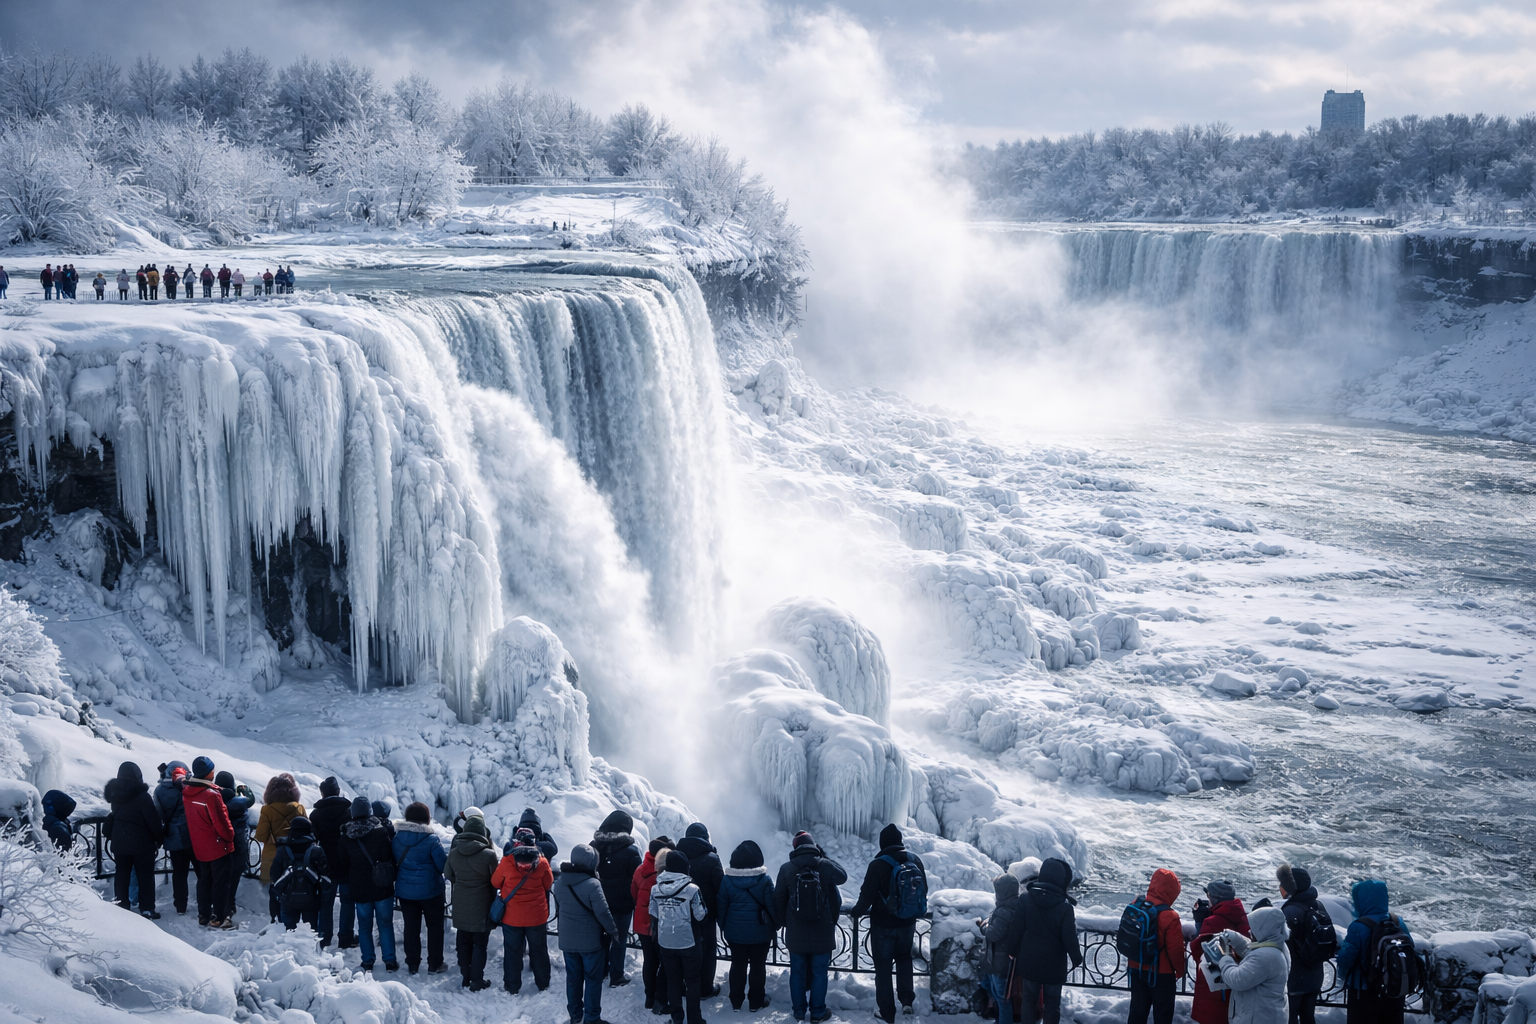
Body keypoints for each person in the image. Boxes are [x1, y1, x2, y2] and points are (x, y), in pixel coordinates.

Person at [850, 823, 929, 1023]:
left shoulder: (877, 865)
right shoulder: (914, 860)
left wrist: (856, 912)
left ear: (882, 843)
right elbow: (924, 889)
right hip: (907, 922)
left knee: (883, 966)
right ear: (900, 841)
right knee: (904, 958)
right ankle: (907, 1001)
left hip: (883, 925)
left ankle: (887, 1012)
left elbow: (866, 896)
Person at [773, 831, 848, 1024]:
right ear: (813, 846)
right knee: (819, 972)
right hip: (822, 930)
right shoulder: (824, 865)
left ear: (795, 848)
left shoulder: (787, 868)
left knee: (797, 972)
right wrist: (824, 858)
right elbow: (843, 876)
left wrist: (784, 923)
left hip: (795, 930)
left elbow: (779, 898)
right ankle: (817, 1012)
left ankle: (798, 1011)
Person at [556, 842, 623, 1024]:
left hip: (567, 941)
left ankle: (575, 1015)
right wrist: (613, 931)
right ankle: (592, 1018)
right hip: (590, 942)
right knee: (592, 979)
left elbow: (560, 908)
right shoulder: (593, 884)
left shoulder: (560, 883)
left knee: (573, 978)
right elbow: (603, 913)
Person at [1017, 857, 1085, 1024]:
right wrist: (1077, 958)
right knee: (1052, 1004)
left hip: (1029, 961)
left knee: (1028, 1001)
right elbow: (1069, 938)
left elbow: (1016, 928)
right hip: (1054, 966)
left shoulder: (1025, 899)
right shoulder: (1065, 908)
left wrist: (1012, 951)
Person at [335, 797, 398, 971]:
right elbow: (387, 857)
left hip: (359, 886)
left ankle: (368, 961)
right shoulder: (381, 832)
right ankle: (390, 960)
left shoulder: (346, 837)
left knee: (364, 926)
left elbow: (343, 864)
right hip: (381, 885)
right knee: (385, 924)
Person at [1337, 880, 1412, 1024]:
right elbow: (1410, 948)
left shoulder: (1358, 926)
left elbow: (1346, 958)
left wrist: (1343, 975)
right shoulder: (1397, 921)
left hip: (1364, 990)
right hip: (1394, 987)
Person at [493, 827, 555, 993]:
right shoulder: (542, 862)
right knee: (539, 949)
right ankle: (543, 983)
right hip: (536, 916)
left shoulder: (507, 861)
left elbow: (495, 882)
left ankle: (512, 986)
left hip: (511, 916)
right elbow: (548, 884)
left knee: (512, 951)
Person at [652, 848, 708, 1024]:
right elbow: (700, 915)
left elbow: (654, 913)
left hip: (666, 941)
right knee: (692, 981)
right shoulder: (692, 889)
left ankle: (677, 1018)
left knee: (673, 981)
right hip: (689, 941)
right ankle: (694, 1019)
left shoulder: (655, 889)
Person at [718, 839, 775, 1012]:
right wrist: (776, 926)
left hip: (735, 933)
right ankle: (756, 1002)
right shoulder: (764, 880)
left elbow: (721, 907)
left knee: (737, 964)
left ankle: (736, 1001)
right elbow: (772, 907)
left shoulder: (727, 881)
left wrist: (724, 926)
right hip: (760, 932)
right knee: (758, 966)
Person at [393, 802, 449, 976]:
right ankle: (434, 964)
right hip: (431, 891)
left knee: (411, 927)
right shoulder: (431, 840)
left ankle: (412, 964)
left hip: (405, 891)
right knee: (435, 927)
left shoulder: (397, 838)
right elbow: (442, 866)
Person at [445, 810, 498, 990]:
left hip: (460, 902)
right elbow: (495, 881)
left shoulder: (454, 852)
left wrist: (461, 881)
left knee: (463, 941)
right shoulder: (489, 854)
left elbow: (448, 873)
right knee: (479, 944)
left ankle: (465, 976)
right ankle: (477, 980)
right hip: (482, 904)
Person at [182, 756, 237, 928]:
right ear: (208, 773)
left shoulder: (188, 791)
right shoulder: (211, 795)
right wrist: (230, 836)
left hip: (199, 844)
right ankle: (219, 917)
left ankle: (203, 914)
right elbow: (221, 822)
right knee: (221, 882)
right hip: (218, 845)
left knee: (204, 880)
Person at [1126, 869, 1187, 1024]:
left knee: (1137, 1012)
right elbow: (1175, 950)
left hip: (1136, 968)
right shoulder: (1170, 916)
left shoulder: (1136, 904)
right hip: (1161, 974)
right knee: (1162, 1015)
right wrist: (1180, 970)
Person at [104, 762, 163, 917]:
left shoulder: (115, 794)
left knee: (121, 875)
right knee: (145, 876)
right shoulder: (143, 797)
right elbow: (153, 821)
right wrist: (159, 839)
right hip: (142, 844)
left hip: (120, 843)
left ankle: (121, 907)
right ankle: (147, 908)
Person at [1215, 906, 1293, 1024]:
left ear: (1263, 930)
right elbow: (1252, 951)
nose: (1250, 931)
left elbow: (1237, 980)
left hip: (1258, 1017)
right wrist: (1235, 938)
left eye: (1254, 928)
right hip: (1267, 1015)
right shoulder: (1278, 946)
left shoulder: (1265, 956)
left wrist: (1225, 958)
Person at [592, 809, 642, 987]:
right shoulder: (631, 851)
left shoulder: (594, 846)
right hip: (622, 905)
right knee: (619, 941)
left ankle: (601, 971)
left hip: (598, 902)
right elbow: (638, 878)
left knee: (601, 939)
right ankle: (616, 975)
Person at [1278, 865, 1334, 1024]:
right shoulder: (1318, 905)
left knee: (1290, 1017)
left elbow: (1282, 942)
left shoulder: (1289, 911)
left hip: (1295, 975)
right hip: (1315, 974)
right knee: (1308, 1016)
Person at [1193, 880, 1252, 1024]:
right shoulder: (1245, 918)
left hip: (1214, 985)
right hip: (1238, 983)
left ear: (1214, 899)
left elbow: (1200, 954)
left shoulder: (1211, 922)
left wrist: (1200, 923)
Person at [675, 822, 724, 996]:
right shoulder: (712, 858)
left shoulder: (677, 856)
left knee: (683, 948)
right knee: (708, 948)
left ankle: (684, 984)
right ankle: (705, 988)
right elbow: (720, 887)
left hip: (679, 911)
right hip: (706, 913)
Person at [309, 777, 356, 948]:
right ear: (338, 791)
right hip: (347, 862)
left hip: (325, 863)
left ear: (322, 793)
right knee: (348, 902)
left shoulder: (315, 814)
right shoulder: (349, 811)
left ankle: (324, 936)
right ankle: (346, 937)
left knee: (326, 902)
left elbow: (313, 839)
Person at [256, 773, 306, 923]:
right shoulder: (299, 808)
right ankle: (294, 922)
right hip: (294, 856)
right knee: (294, 888)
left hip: (273, 857)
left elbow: (261, 836)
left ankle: (276, 921)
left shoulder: (267, 810)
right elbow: (307, 832)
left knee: (275, 890)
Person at [978, 872, 1026, 1024]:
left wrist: (983, 926)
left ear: (1002, 892)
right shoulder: (1019, 906)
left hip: (1000, 962)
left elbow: (994, 934)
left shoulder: (1004, 911)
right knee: (1000, 996)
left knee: (1003, 999)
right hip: (1009, 961)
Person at [632, 835, 673, 1012]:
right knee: (665, 961)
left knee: (649, 961)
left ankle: (649, 997)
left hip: (642, 923)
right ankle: (661, 998)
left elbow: (633, 893)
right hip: (660, 924)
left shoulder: (640, 869)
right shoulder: (665, 874)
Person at [270, 816, 329, 933]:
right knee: (310, 933)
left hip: (287, 899)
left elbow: (274, 874)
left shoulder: (283, 849)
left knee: (288, 933)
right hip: (311, 898)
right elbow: (325, 872)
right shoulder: (316, 850)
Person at [153, 762, 195, 915]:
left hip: (173, 837)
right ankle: (206, 902)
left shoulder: (159, 790)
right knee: (202, 871)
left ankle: (180, 906)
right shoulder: (190, 788)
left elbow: (159, 814)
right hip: (192, 836)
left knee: (179, 873)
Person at [215, 772, 255, 916]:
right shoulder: (240, 803)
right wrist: (245, 791)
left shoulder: (214, 801)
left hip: (220, 844)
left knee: (220, 876)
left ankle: (218, 904)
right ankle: (230, 903)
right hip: (239, 845)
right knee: (235, 874)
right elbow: (250, 800)